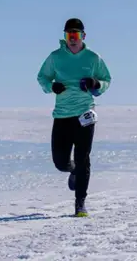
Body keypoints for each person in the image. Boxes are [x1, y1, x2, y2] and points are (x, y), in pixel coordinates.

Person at [36, 17, 112, 217]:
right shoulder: (55, 57)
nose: (72, 38)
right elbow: (42, 77)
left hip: (84, 115)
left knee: (83, 158)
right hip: (62, 116)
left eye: (75, 34)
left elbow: (106, 80)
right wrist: (51, 86)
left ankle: (80, 203)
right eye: (68, 34)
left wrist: (96, 83)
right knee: (60, 162)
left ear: (83, 36)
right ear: (65, 37)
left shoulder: (93, 58)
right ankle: (73, 170)